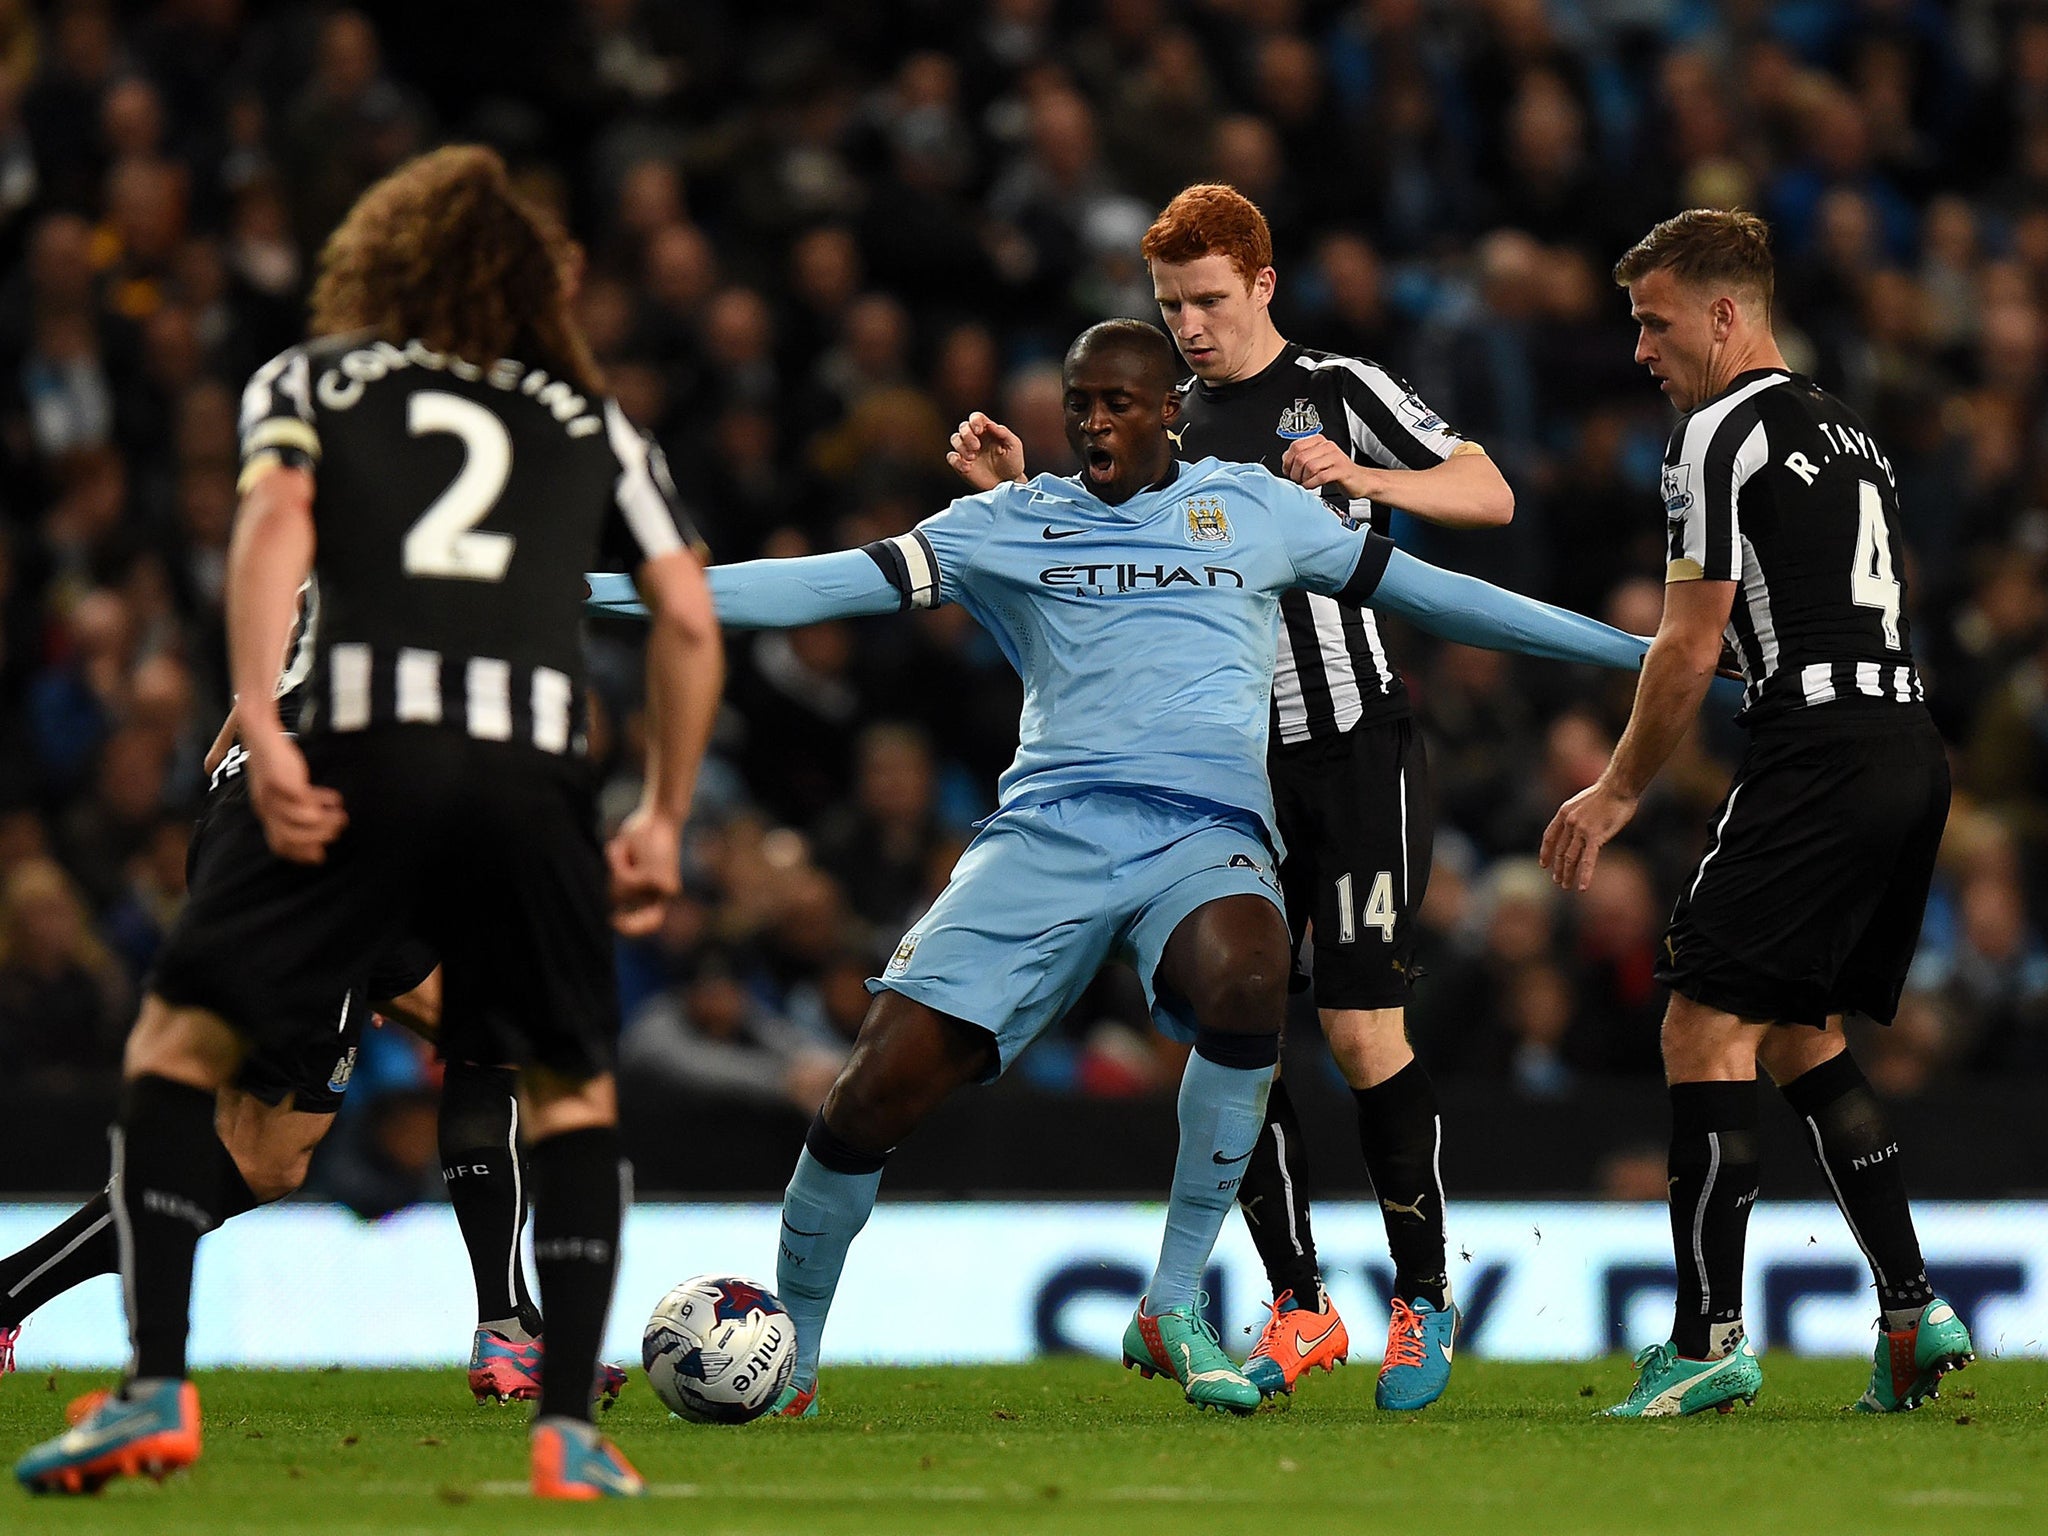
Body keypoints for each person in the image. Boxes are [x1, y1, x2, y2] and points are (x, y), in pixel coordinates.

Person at [590, 318, 1650, 1418]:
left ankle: (1172, 1298)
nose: (1094, 421)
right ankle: (797, 1347)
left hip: (1201, 833)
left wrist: (1634, 656)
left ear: (1167, 413)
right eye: (1078, 402)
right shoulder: (1005, 521)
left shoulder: (1251, 508)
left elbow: (1439, 597)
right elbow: (810, 586)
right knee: (876, 1090)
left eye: (1118, 403)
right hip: (1045, 834)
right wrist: (598, 593)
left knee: (1248, 975)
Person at [14, 145, 722, 1500]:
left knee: (186, 1060)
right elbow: (686, 614)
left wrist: (261, 716)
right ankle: (557, 1410)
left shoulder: (312, 380)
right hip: (516, 777)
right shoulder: (586, 418)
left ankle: (156, 1388)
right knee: (550, 1075)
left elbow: (272, 523)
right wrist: (667, 813)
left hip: (336, 767)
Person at [947, 183, 1513, 1409]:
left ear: (1261, 284)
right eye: (1169, 305)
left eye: (1207, 299)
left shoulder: (1339, 387)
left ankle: (1420, 1298)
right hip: (1223, 769)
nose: (1190, 325)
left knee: (1362, 1030)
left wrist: (1365, 480)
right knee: (1232, 1022)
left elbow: (1488, 491)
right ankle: (1300, 1303)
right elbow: (1087, 544)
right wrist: (1014, 485)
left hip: (1355, 742)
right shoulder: (1165, 415)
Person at [1540, 208, 1973, 1418]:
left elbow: (1686, 644)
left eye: (1653, 320)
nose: (1639, 350)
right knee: (1794, 1031)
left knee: (1697, 1027)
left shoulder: (1711, 433)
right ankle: (1909, 1310)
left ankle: (1707, 1337)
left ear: (1724, 315)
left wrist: (1616, 788)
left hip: (1821, 753)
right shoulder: (1852, 432)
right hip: (1905, 746)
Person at [0, 700, 617, 1410]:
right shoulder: (461, 627)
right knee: (260, 1157)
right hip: (321, 845)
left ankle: (509, 1326)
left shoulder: (320, 609)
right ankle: (10, 1296)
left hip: (270, 815)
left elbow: (224, 744)